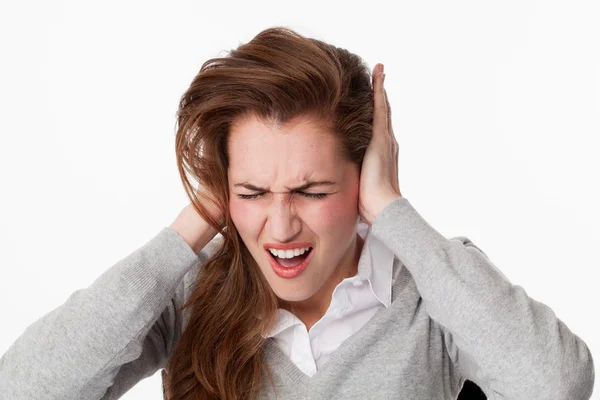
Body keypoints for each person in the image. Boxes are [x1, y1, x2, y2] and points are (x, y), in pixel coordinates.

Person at [0, 27, 594, 400]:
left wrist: (393, 210)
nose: (280, 228)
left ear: (363, 176)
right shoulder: (187, 290)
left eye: (311, 191)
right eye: (254, 192)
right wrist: (193, 228)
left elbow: (555, 385)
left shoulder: (434, 286)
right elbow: (24, 389)